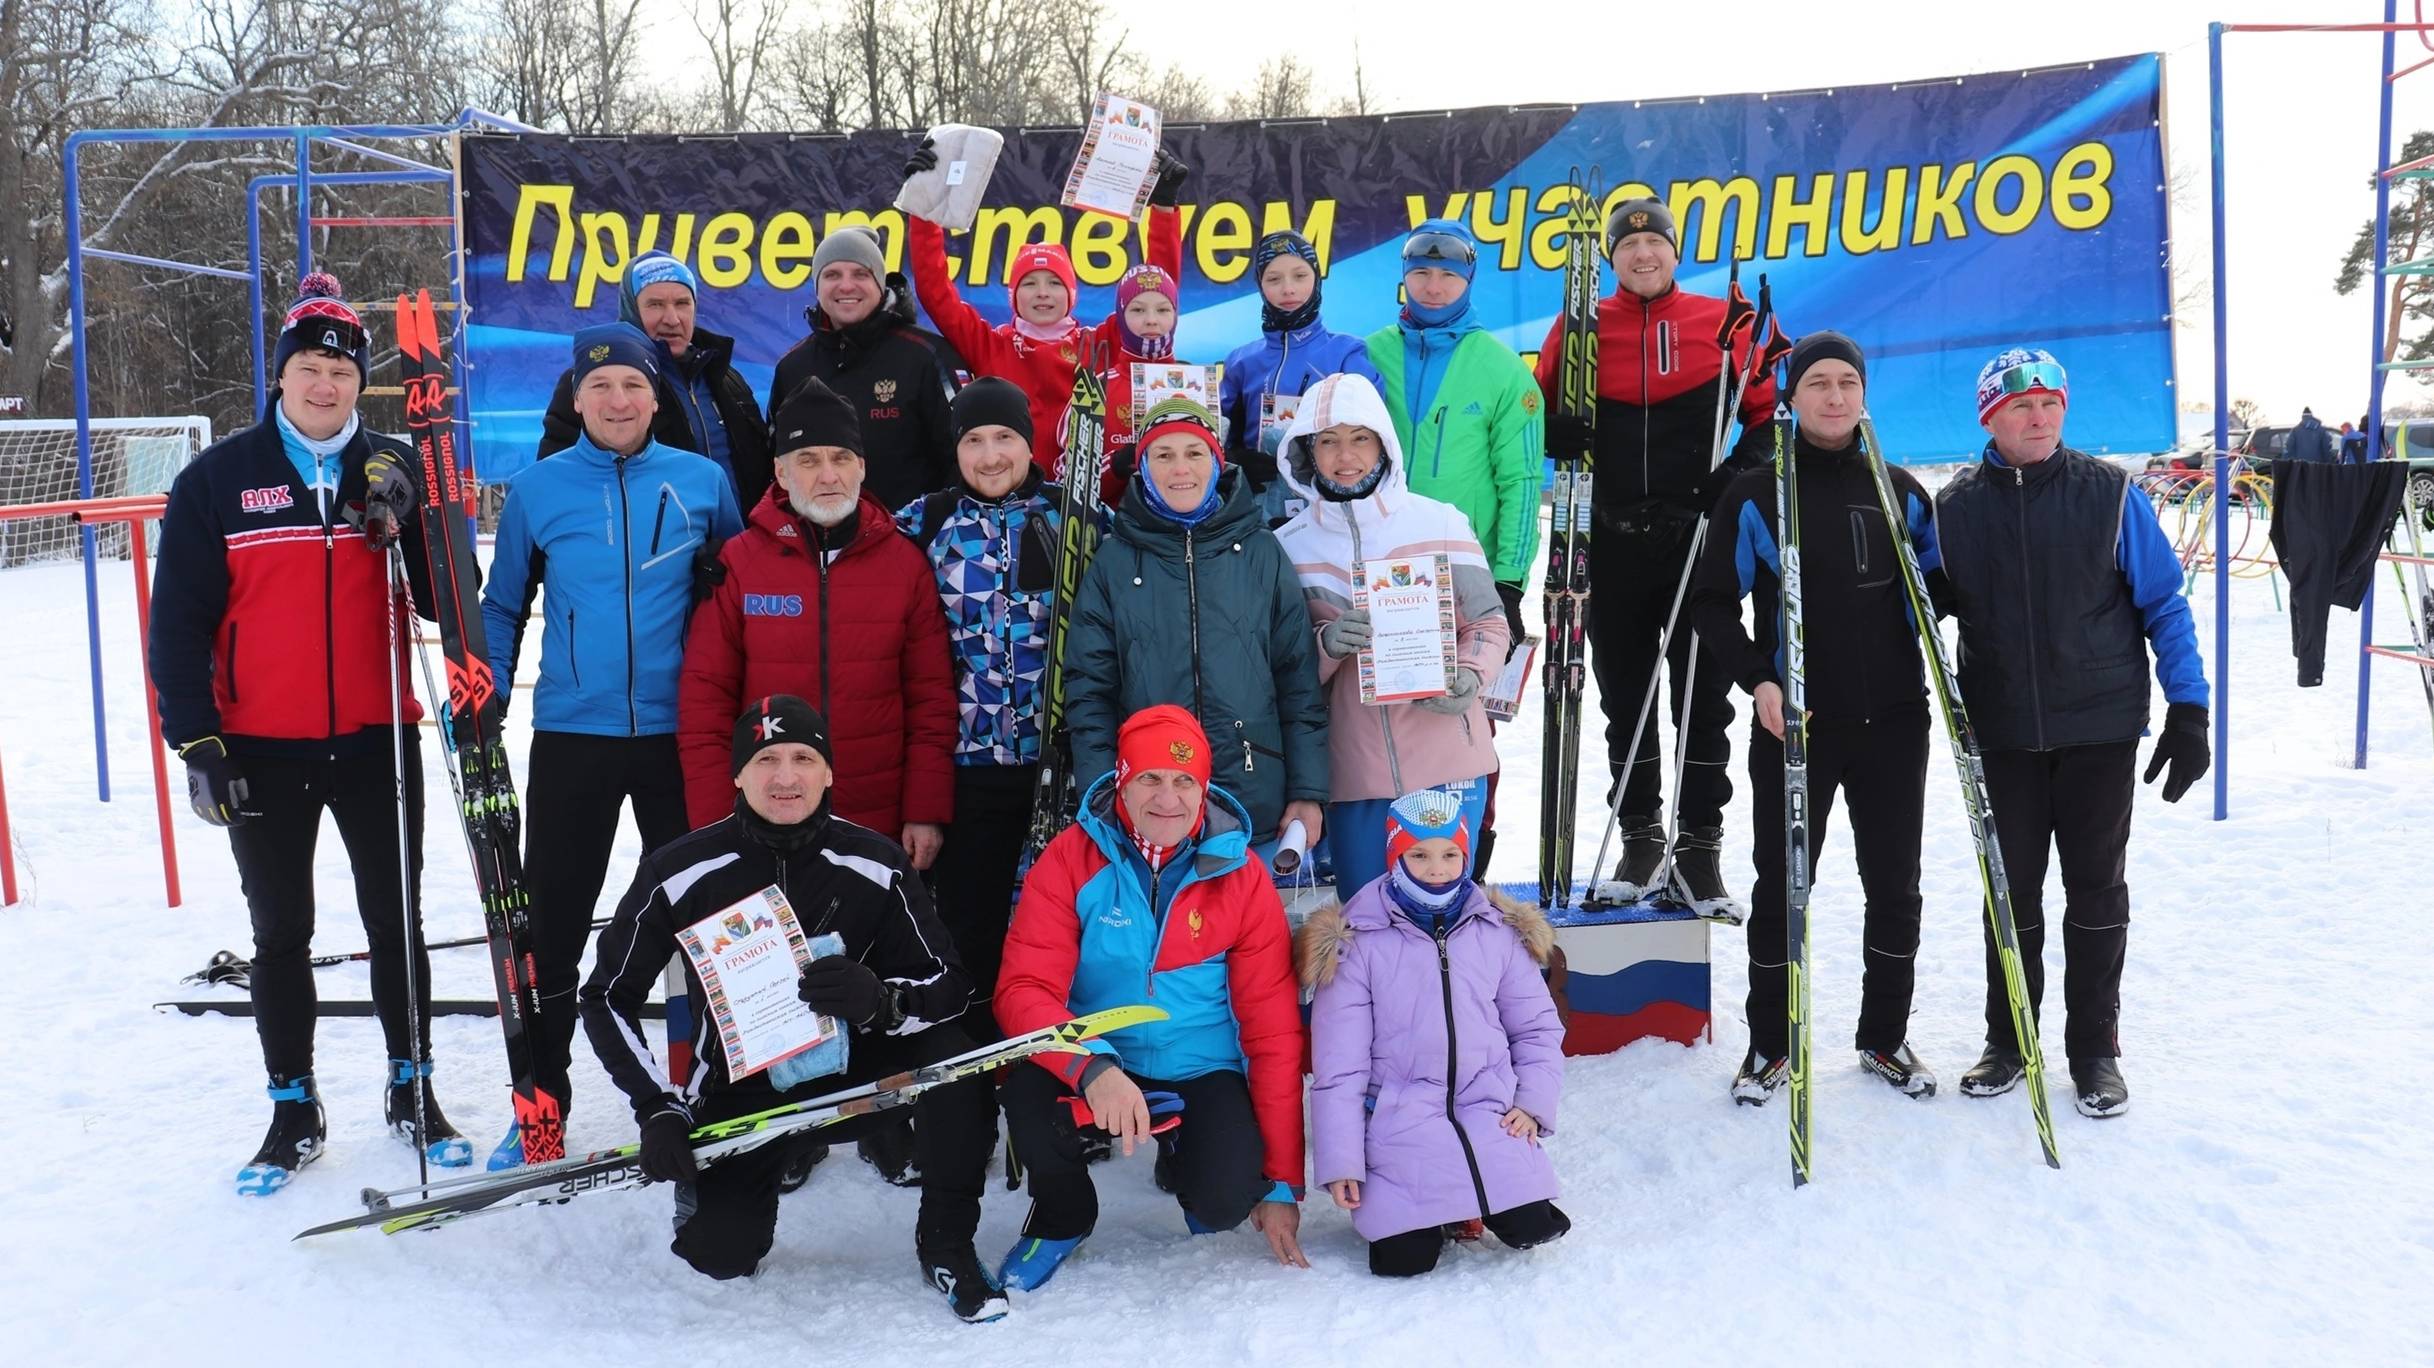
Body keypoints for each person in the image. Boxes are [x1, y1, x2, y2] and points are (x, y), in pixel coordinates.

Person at [150, 271, 463, 1193]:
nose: (325, 384)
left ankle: (414, 1088)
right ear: (280, 376)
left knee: (393, 920)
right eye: (309, 366)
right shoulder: (219, 480)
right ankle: (293, 1104)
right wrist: (196, 740)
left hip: (377, 736)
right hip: (262, 743)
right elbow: (179, 624)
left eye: (341, 369)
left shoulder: (393, 466)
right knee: (280, 928)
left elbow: (447, 604)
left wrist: (416, 520)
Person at [578, 695, 1007, 1323]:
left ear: (829, 772)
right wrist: (657, 1107)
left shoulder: (874, 863)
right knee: (721, 1256)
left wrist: (883, 1002)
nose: (786, 777)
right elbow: (605, 997)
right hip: (742, 1091)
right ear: (738, 775)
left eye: (804, 757)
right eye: (766, 759)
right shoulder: (680, 871)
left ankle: (947, 1242)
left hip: (855, 1075)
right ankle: (719, 1182)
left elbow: (950, 985)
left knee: (957, 1061)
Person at [478, 321, 744, 1165]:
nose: (618, 400)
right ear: (578, 399)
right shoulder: (538, 490)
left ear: (654, 394)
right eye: (601, 388)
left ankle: (712, 1087)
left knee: (704, 917)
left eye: (632, 385)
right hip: (573, 734)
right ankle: (541, 1099)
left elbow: (742, 591)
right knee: (553, 923)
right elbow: (500, 604)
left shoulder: (702, 480)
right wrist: (479, 695)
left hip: (683, 735)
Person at [1928, 347, 2210, 1118]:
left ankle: (2094, 1049)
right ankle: (2009, 1038)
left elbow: (2164, 604)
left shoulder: (2111, 495)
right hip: (2006, 732)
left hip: (2099, 729)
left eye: (2051, 402)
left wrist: (2190, 707)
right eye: (2022, 406)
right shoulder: (1953, 512)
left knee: (2095, 893)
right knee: (2010, 895)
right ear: (1991, 415)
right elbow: (1916, 607)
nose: (2041, 416)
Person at [1686, 333, 1938, 1102]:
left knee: (1895, 883)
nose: (1834, 397)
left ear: (1864, 397)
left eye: (1847, 384)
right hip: (1796, 723)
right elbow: (1711, 602)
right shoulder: (1760, 493)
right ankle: (1772, 1043)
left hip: (1896, 719)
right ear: (1792, 399)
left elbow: (1938, 596)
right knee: (1785, 884)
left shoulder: (1901, 488)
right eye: (1818, 384)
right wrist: (1758, 679)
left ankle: (1885, 1038)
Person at [992, 705, 1308, 1291]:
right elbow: (1023, 991)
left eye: (1185, 780)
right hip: (1096, 1055)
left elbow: (1273, 1033)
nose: (1169, 798)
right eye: (1151, 779)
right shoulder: (1070, 859)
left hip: (1199, 1063)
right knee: (1030, 1096)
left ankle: (1185, 1153)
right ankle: (1063, 1218)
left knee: (1223, 1206)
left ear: (1205, 787)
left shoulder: (1241, 875)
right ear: (1121, 781)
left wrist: (1283, 1180)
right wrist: (1091, 1067)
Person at [1536, 197, 1778, 910]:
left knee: (1703, 699)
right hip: (1609, 542)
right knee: (1626, 696)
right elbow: (1544, 413)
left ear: (1675, 252)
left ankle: (1699, 843)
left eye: (1656, 243)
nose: (1643, 255)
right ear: (1612, 259)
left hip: (1697, 539)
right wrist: (1558, 436)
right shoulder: (1579, 329)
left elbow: (1766, 416)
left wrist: (1735, 478)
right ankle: (1642, 836)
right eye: (1629, 245)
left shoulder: (1720, 324)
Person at [679, 377, 955, 861]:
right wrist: (714, 826)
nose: (828, 475)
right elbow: (705, 703)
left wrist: (924, 809)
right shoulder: (739, 564)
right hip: (764, 819)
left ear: (862, 467)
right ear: (781, 473)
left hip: (878, 824)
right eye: (808, 460)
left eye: (841, 458)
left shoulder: (906, 564)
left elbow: (931, 698)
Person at [1299, 790, 1570, 1277]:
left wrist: (1531, 1104)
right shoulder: (1358, 942)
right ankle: (1444, 1212)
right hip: (1399, 1123)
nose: (1437, 868)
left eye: (1450, 854)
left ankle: (1469, 1205)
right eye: (1419, 854)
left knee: (1535, 1228)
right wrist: (1342, 1159)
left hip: (1489, 1111)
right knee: (1404, 1262)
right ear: (1394, 855)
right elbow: (1340, 1067)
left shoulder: (1496, 931)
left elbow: (1536, 1028)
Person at [1272, 372, 1509, 896]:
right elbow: (1281, 670)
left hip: (1447, 761)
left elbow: (1490, 624)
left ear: (1383, 443)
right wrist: (1327, 647)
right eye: (1328, 441)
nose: (1346, 455)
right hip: (1354, 776)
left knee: (1444, 919)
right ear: (1307, 452)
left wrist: (1468, 678)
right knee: (1368, 921)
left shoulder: (1439, 522)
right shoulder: (1288, 547)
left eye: (1361, 438)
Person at [1063, 398, 1329, 853]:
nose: (1180, 468)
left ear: (1216, 462)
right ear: (1143, 467)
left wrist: (1307, 791)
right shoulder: (1113, 560)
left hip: (1251, 797)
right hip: (1150, 805)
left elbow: (1298, 680)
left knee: (1248, 924)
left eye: (1194, 452)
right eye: (1163, 455)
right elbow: (1090, 690)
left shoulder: (1262, 551)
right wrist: (1102, 790)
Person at [1365, 218, 1541, 872]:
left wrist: (1510, 582)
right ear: (1403, 278)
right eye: (1422, 271)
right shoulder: (1370, 353)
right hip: (1377, 573)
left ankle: (1466, 859)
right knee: (1374, 726)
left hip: (1463, 581)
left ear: (1468, 279)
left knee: (1463, 726)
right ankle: (1380, 861)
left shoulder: (1500, 367)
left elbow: (1522, 481)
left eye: (1448, 273)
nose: (1434, 285)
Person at [895, 377, 1062, 1040]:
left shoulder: (1070, 517)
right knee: (970, 925)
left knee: (1051, 925)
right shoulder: (925, 522)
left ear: (1028, 443)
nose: (990, 455)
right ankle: (975, 1064)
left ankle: (1044, 1066)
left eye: (1004, 438)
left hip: (1058, 771)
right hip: (968, 767)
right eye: (973, 440)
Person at [900, 139, 1186, 480]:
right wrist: (924, 211)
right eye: (1029, 284)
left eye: (1054, 283)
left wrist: (1164, 208)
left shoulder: (1100, 342)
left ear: (1071, 294)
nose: (1042, 294)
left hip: (1087, 503)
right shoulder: (991, 344)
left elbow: (1155, 290)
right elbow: (935, 291)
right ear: (1013, 296)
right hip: (1013, 493)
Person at [537, 250, 770, 514]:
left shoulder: (726, 378)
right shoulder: (591, 383)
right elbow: (557, 482)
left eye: (682, 303)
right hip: (658, 551)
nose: (672, 318)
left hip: (737, 547)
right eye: (655, 304)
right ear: (631, 310)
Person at [767, 226, 965, 511]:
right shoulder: (793, 367)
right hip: (823, 548)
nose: (846, 286)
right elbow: (776, 468)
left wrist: (930, 530)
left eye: (860, 274)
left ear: (879, 283)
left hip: (913, 544)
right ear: (817, 286)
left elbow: (964, 458)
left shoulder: (927, 355)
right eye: (832, 275)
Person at [1220, 229, 1383, 526]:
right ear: (1260, 285)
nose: (1288, 289)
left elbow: (1372, 433)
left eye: (1299, 276)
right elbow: (1216, 439)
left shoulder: (1346, 352)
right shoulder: (1241, 362)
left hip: (1330, 509)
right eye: (1273, 279)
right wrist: (1235, 461)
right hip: (1258, 511)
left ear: (1317, 279)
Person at [1095, 259, 1192, 503]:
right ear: (1119, 316)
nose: (1151, 320)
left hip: (1188, 533)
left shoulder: (1194, 384)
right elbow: (1068, 479)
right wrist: (1115, 466)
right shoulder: (1097, 388)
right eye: (1138, 310)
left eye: (1162, 310)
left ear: (1176, 315)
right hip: (1116, 530)